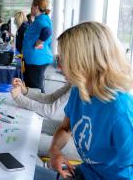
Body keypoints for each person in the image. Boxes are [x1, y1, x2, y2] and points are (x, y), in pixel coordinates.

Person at [35, 22, 133, 180]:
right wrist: (55, 151)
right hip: (83, 173)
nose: (59, 65)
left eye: (63, 59)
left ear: (83, 61)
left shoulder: (121, 111)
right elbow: (66, 129)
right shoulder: (79, 90)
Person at [11, 78, 80, 161]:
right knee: (28, 124)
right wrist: (25, 91)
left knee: (24, 140)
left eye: (62, 65)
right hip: (72, 129)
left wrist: (19, 98)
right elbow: (51, 98)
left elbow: (50, 112)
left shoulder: (80, 85)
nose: (58, 68)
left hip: (78, 143)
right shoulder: (74, 82)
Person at [22, 0, 52, 93]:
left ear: (36, 7)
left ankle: (38, 107)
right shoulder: (41, 19)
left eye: (32, 7)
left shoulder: (40, 20)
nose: (31, 9)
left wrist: (38, 43)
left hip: (36, 60)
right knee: (34, 87)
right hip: (35, 59)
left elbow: (47, 31)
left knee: (35, 89)